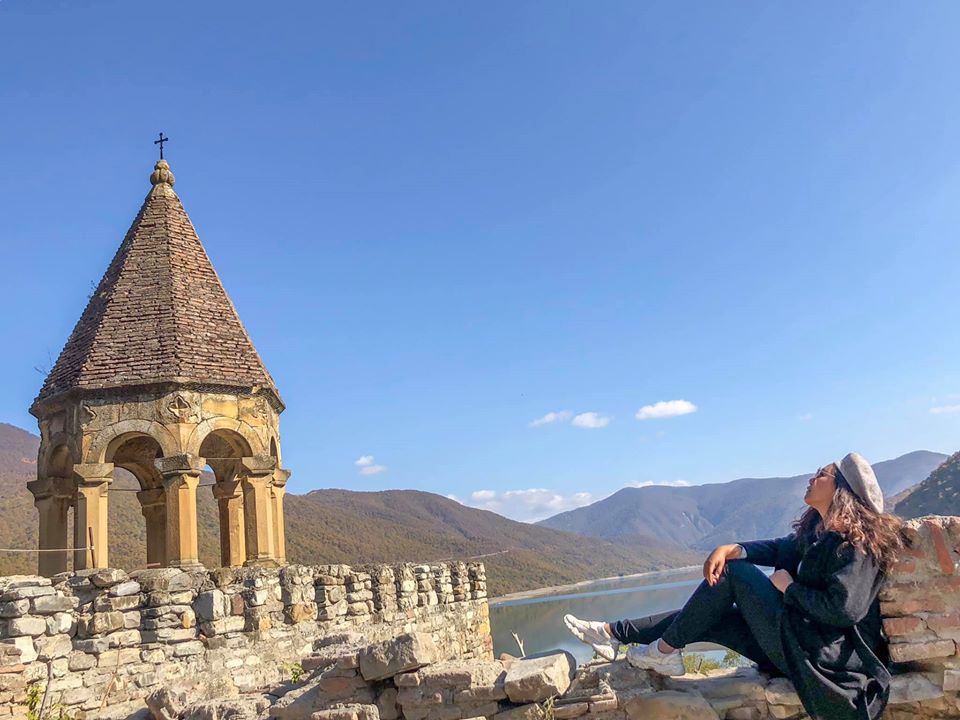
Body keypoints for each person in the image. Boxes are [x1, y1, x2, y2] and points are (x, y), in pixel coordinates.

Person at [564, 452, 909, 720]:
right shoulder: (816, 534)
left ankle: (663, 651)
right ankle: (613, 633)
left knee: (735, 574)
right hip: (794, 643)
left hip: (820, 659)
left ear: (841, 489)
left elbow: (844, 610)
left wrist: (789, 589)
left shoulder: (856, 545)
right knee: (715, 615)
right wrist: (733, 547)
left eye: (822, 474)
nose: (811, 477)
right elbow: (777, 548)